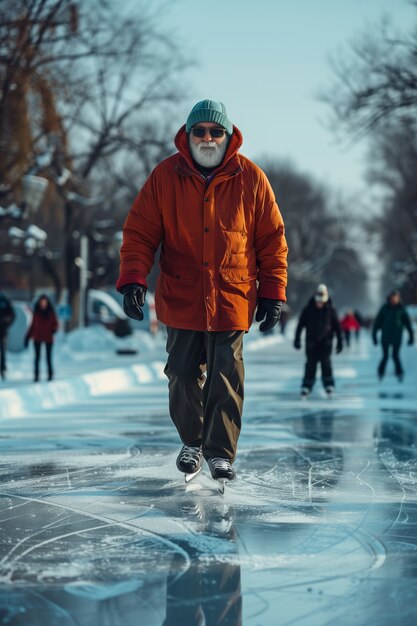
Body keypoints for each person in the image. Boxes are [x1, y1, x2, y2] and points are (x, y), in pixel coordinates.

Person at [116, 99, 288, 482]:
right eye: (200, 131)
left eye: (215, 132)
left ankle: (221, 453)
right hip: (182, 295)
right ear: (188, 135)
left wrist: (273, 292)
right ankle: (192, 442)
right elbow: (140, 233)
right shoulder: (165, 177)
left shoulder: (252, 178)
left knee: (226, 375)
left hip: (232, 295)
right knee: (179, 373)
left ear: (228, 137)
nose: (207, 138)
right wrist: (133, 279)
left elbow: (272, 240)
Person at [294, 283, 343, 398]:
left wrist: (340, 341)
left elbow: (337, 327)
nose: (320, 303)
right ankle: (307, 386)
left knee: (326, 364)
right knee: (311, 364)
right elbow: (300, 325)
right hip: (311, 342)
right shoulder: (308, 309)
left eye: (322, 301)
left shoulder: (331, 310)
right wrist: (297, 339)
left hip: (326, 342)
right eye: (318, 301)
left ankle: (329, 385)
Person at [372, 290, 414, 381]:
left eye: (396, 298)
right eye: (393, 297)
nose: (394, 299)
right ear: (390, 298)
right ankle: (380, 372)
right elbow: (377, 323)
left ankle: (399, 372)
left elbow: (408, 323)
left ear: (398, 298)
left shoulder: (401, 309)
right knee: (385, 355)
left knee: (395, 355)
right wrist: (374, 336)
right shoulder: (384, 308)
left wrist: (411, 337)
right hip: (385, 337)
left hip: (397, 337)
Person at [25, 294, 59, 382]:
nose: (42, 304)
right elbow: (32, 326)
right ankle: (36, 375)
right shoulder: (36, 313)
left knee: (48, 357)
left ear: (47, 303)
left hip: (48, 337)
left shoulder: (51, 313)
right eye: (41, 302)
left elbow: (56, 324)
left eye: (44, 302)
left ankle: (50, 374)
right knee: (37, 357)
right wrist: (27, 337)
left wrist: (54, 330)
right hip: (37, 337)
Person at [0, 291, 15, 380]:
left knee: (3, 351)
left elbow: (13, 315)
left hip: (3, 331)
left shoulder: (6, 302)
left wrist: (7, 322)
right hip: (4, 330)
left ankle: (3, 369)